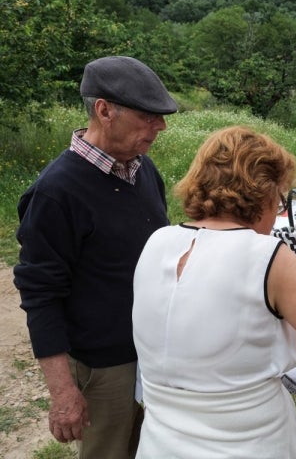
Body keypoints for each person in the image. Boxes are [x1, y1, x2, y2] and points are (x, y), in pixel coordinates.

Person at [131, 126, 296, 458]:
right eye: (280, 199)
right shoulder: (267, 256)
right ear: (265, 194)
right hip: (250, 443)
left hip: (162, 444)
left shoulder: (155, 243)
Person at [13, 56, 178, 458]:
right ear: (104, 111)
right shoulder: (56, 192)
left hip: (155, 353)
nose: (161, 126)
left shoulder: (142, 169)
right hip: (105, 367)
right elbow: (41, 295)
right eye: (148, 116)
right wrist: (63, 391)